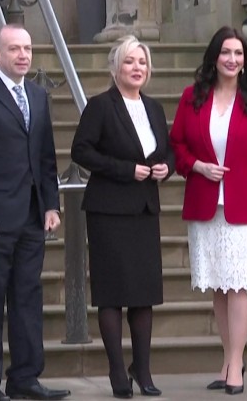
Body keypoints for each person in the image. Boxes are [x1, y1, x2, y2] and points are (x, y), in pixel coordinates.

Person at [0, 24, 70, 401]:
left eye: (27, 49)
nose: (23, 55)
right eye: (14, 49)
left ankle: (25, 377)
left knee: (27, 299)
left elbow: (46, 157)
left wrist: (51, 204)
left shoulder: (37, 96)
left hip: (32, 217)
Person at [169, 26, 247, 396]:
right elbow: (177, 145)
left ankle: (236, 364)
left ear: (245, 60)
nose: (232, 59)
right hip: (205, 203)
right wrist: (197, 166)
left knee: (240, 283)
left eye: (238, 53)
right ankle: (228, 358)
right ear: (214, 57)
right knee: (219, 285)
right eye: (225, 52)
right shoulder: (192, 97)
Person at [71, 35, 174, 399]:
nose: (136, 68)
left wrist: (167, 168)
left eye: (142, 62)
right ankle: (117, 370)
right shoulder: (101, 106)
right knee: (112, 294)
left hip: (144, 210)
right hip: (109, 211)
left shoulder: (154, 108)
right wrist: (125, 169)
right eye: (129, 61)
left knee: (144, 295)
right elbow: (81, 151)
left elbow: (168, 151)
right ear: (116, 68)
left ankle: (142, 369)